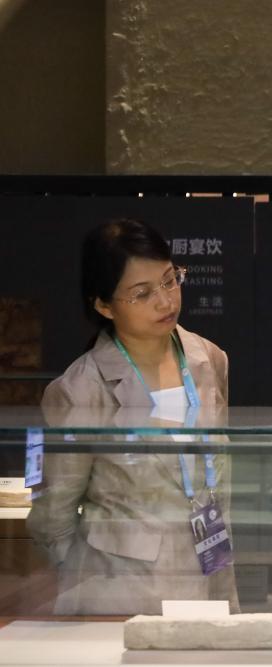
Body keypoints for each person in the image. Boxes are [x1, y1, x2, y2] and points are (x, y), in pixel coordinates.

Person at [27, 218, 237, 615]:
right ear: (104, 305)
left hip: (206, 566)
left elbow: (216, 472)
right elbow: (52, 516)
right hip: (115, 588)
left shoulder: (209, 358)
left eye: (170, 280)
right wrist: (83, 575)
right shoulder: (80, 389)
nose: (165, 301)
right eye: (142, 293)